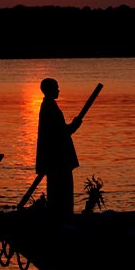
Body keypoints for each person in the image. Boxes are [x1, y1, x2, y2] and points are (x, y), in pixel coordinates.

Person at [36, 78, 82, 218]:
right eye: (56, 87)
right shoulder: (49, 108)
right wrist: (74, 126)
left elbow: (59, 131)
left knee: (60, 194)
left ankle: (61, 217)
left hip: (56, 160)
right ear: (49, 90)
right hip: (57, 161)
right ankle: (62, 219)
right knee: (62, 194)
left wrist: (72, 126)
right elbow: (59, 133)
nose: (58, 90)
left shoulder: (50, 106)